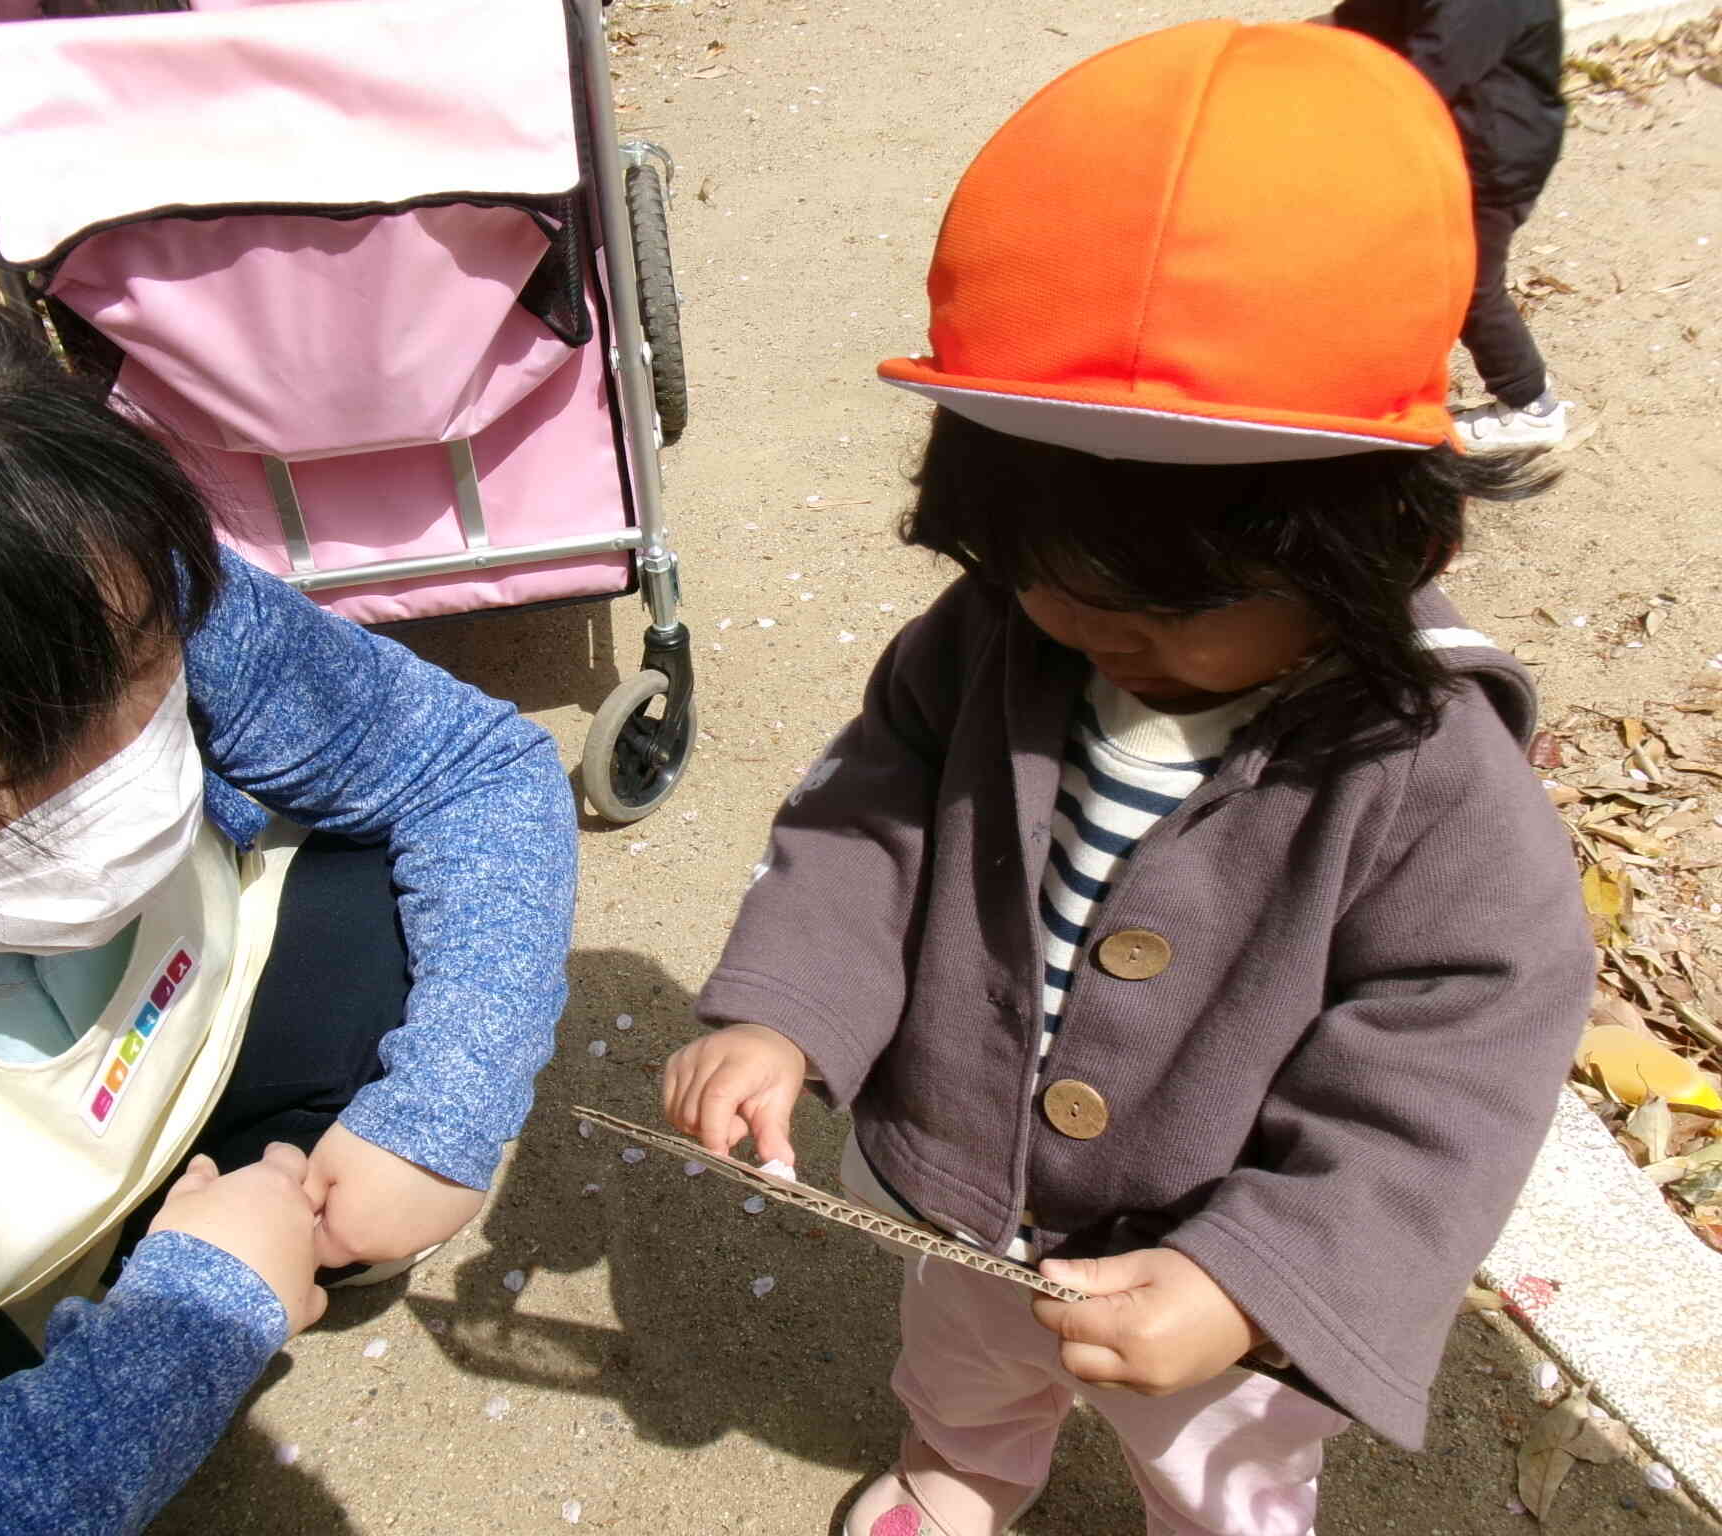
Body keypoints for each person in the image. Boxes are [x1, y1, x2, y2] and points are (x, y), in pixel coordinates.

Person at [662, 22, 1593, 1536]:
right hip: (974, 1174)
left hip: (1208, 1244)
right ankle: (964, 1470)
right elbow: (871, 814)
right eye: (1040, 573)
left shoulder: (1420, 764)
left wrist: (1258, 1275)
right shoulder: (991, 637)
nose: (1091, 632)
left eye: (1167, 612)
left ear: (1387, 544)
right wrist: (787, 1008)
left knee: (1217, 1466)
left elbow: (1460, 1049)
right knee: (966, 1359)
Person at [0, 253, 576, 1530]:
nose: (121, 776)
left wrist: (438, 1111)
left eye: (146, 677)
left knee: (396, 915)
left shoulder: (86, 571)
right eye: (8, 779)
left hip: (185, 1061)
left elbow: (465, 768)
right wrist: (190, 1327)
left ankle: (271, 1219)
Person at [1328, 0, 1571, 451]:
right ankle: (1378, 385)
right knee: (1402, 264)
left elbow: (1426, 74)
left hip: (1493, 161)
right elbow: (1372, 17)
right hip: (1453, 143)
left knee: (1470, 284)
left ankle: (1531, 406)